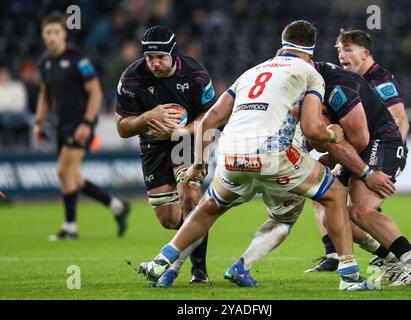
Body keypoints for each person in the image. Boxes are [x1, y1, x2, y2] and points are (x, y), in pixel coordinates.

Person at [140, 20, 378, 291]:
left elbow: (208, 121)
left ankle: (163, 261)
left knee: (209, 207)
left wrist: (198, 165)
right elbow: (313, 129)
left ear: (282, 44)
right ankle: (349, 276)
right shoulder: (310, 73)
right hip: (271, 153)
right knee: (334, 193)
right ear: (312, 51)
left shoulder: (252, 71)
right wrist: (334, 134)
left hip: (230, 152)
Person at [114, 26, 216, 284]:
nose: (155, 64)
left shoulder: (196, 74)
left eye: (160, 57)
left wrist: (183, 129)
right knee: (170, 219)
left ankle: (199, 271)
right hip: (152, 145)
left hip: (185, 140)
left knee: (190, 193)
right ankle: (198, 222)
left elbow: (210, 119)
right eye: (149, 58)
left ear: (173, 54)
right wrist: (149, 117)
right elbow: (122, 128)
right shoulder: (131, 79)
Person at [308, 29, 411, 272]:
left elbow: (399, 120)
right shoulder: (343, 81)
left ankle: (393, 255)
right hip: (360, 151)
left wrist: (384, 163)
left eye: (348, 49)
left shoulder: (381, 82)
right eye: (339, 50)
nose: (342, 55)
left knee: (359, 211)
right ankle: (338, 253)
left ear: (365, 53)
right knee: (323, 193)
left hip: (379, 151)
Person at [34, 12, 130, 241]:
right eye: (48, 33)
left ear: (64, 34)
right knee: (74, 178)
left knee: (63, 171)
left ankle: (70, 227)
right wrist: (39, 122)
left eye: (56, 32)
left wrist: (87, 122)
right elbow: (45, 94)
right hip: (63, 123)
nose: (52, 37)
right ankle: (117, 206)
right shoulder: (44, 62)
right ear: (43, 35)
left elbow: (95, 92)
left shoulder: (79, 59)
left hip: (81, 123)